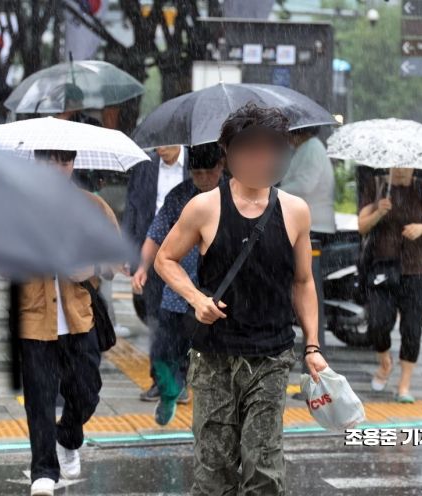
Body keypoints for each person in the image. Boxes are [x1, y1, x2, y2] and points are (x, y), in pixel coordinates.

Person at [155, 103, 328, 495]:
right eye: (250, 149)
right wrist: (195, 298)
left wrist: (313, 346)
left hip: (271, 356)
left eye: (271, 149)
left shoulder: (295, 211)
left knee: (263, 466)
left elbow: (303, 283)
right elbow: (165, 259)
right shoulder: (205, 207)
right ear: (229, 154)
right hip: (214, 357)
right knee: (213, 470)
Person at [22, 149, 119, 496]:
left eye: (64, 161)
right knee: (40, 398)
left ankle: (69, 436)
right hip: (34, 319)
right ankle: (43, 471)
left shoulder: (91, 206)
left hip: (80, 318)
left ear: (73, 164)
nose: (57, 168)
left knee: (86, 391)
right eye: (49, 161)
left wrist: (90, 268)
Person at [131, 143, 226, 425]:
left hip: (216, 290)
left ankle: (199, 393)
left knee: (206, 351)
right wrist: (142, 268)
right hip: (177, 288)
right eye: (197, 173)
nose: (203, 179)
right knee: (164, 344)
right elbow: (156, 233)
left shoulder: (234, 196)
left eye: (208, 172)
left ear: (221, 166)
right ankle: (170, 388)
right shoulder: (181, 195)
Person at [358, 167, 422, 404]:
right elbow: (362, 226)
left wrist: (421, 229)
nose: (403, 170)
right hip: (382, 267)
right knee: (377, 323)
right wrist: (378, 212)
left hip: (414, 269)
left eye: (408, 165)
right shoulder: (376, 185)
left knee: (412, 328)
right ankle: (385, 362)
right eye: (399, 165)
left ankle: (404, 385)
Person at [123, 144, 190, 401]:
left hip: (186, 255)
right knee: (156, 320)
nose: (161, 149)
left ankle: (180, 379)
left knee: (182, 320)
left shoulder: (196, 164)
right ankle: (160, 379)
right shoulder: (145, 166)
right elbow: (133, 207)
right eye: (158, 145)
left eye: (167, 144)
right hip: (151, 253)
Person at [279, 126, 337, 245]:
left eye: (288, 135)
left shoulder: (311, 148)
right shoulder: (308, 147)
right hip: (313, 224)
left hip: (315, 226)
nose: (288, 140)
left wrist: (275, 193)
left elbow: (305, 186)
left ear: (298, 133)